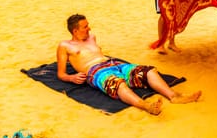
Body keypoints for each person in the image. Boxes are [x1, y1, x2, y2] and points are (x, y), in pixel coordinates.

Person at [57, 14, 202, 115]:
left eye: (88, 25)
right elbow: (61, 74)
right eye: (85, 27)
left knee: (149, 71)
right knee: (117, 84)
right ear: (75, 31)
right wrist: (72, 78)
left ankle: (174, 96)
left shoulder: (92, 37)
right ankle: (146, 106)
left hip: (112, 63)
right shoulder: (65, 45)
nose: (89, 28)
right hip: (95, 72)